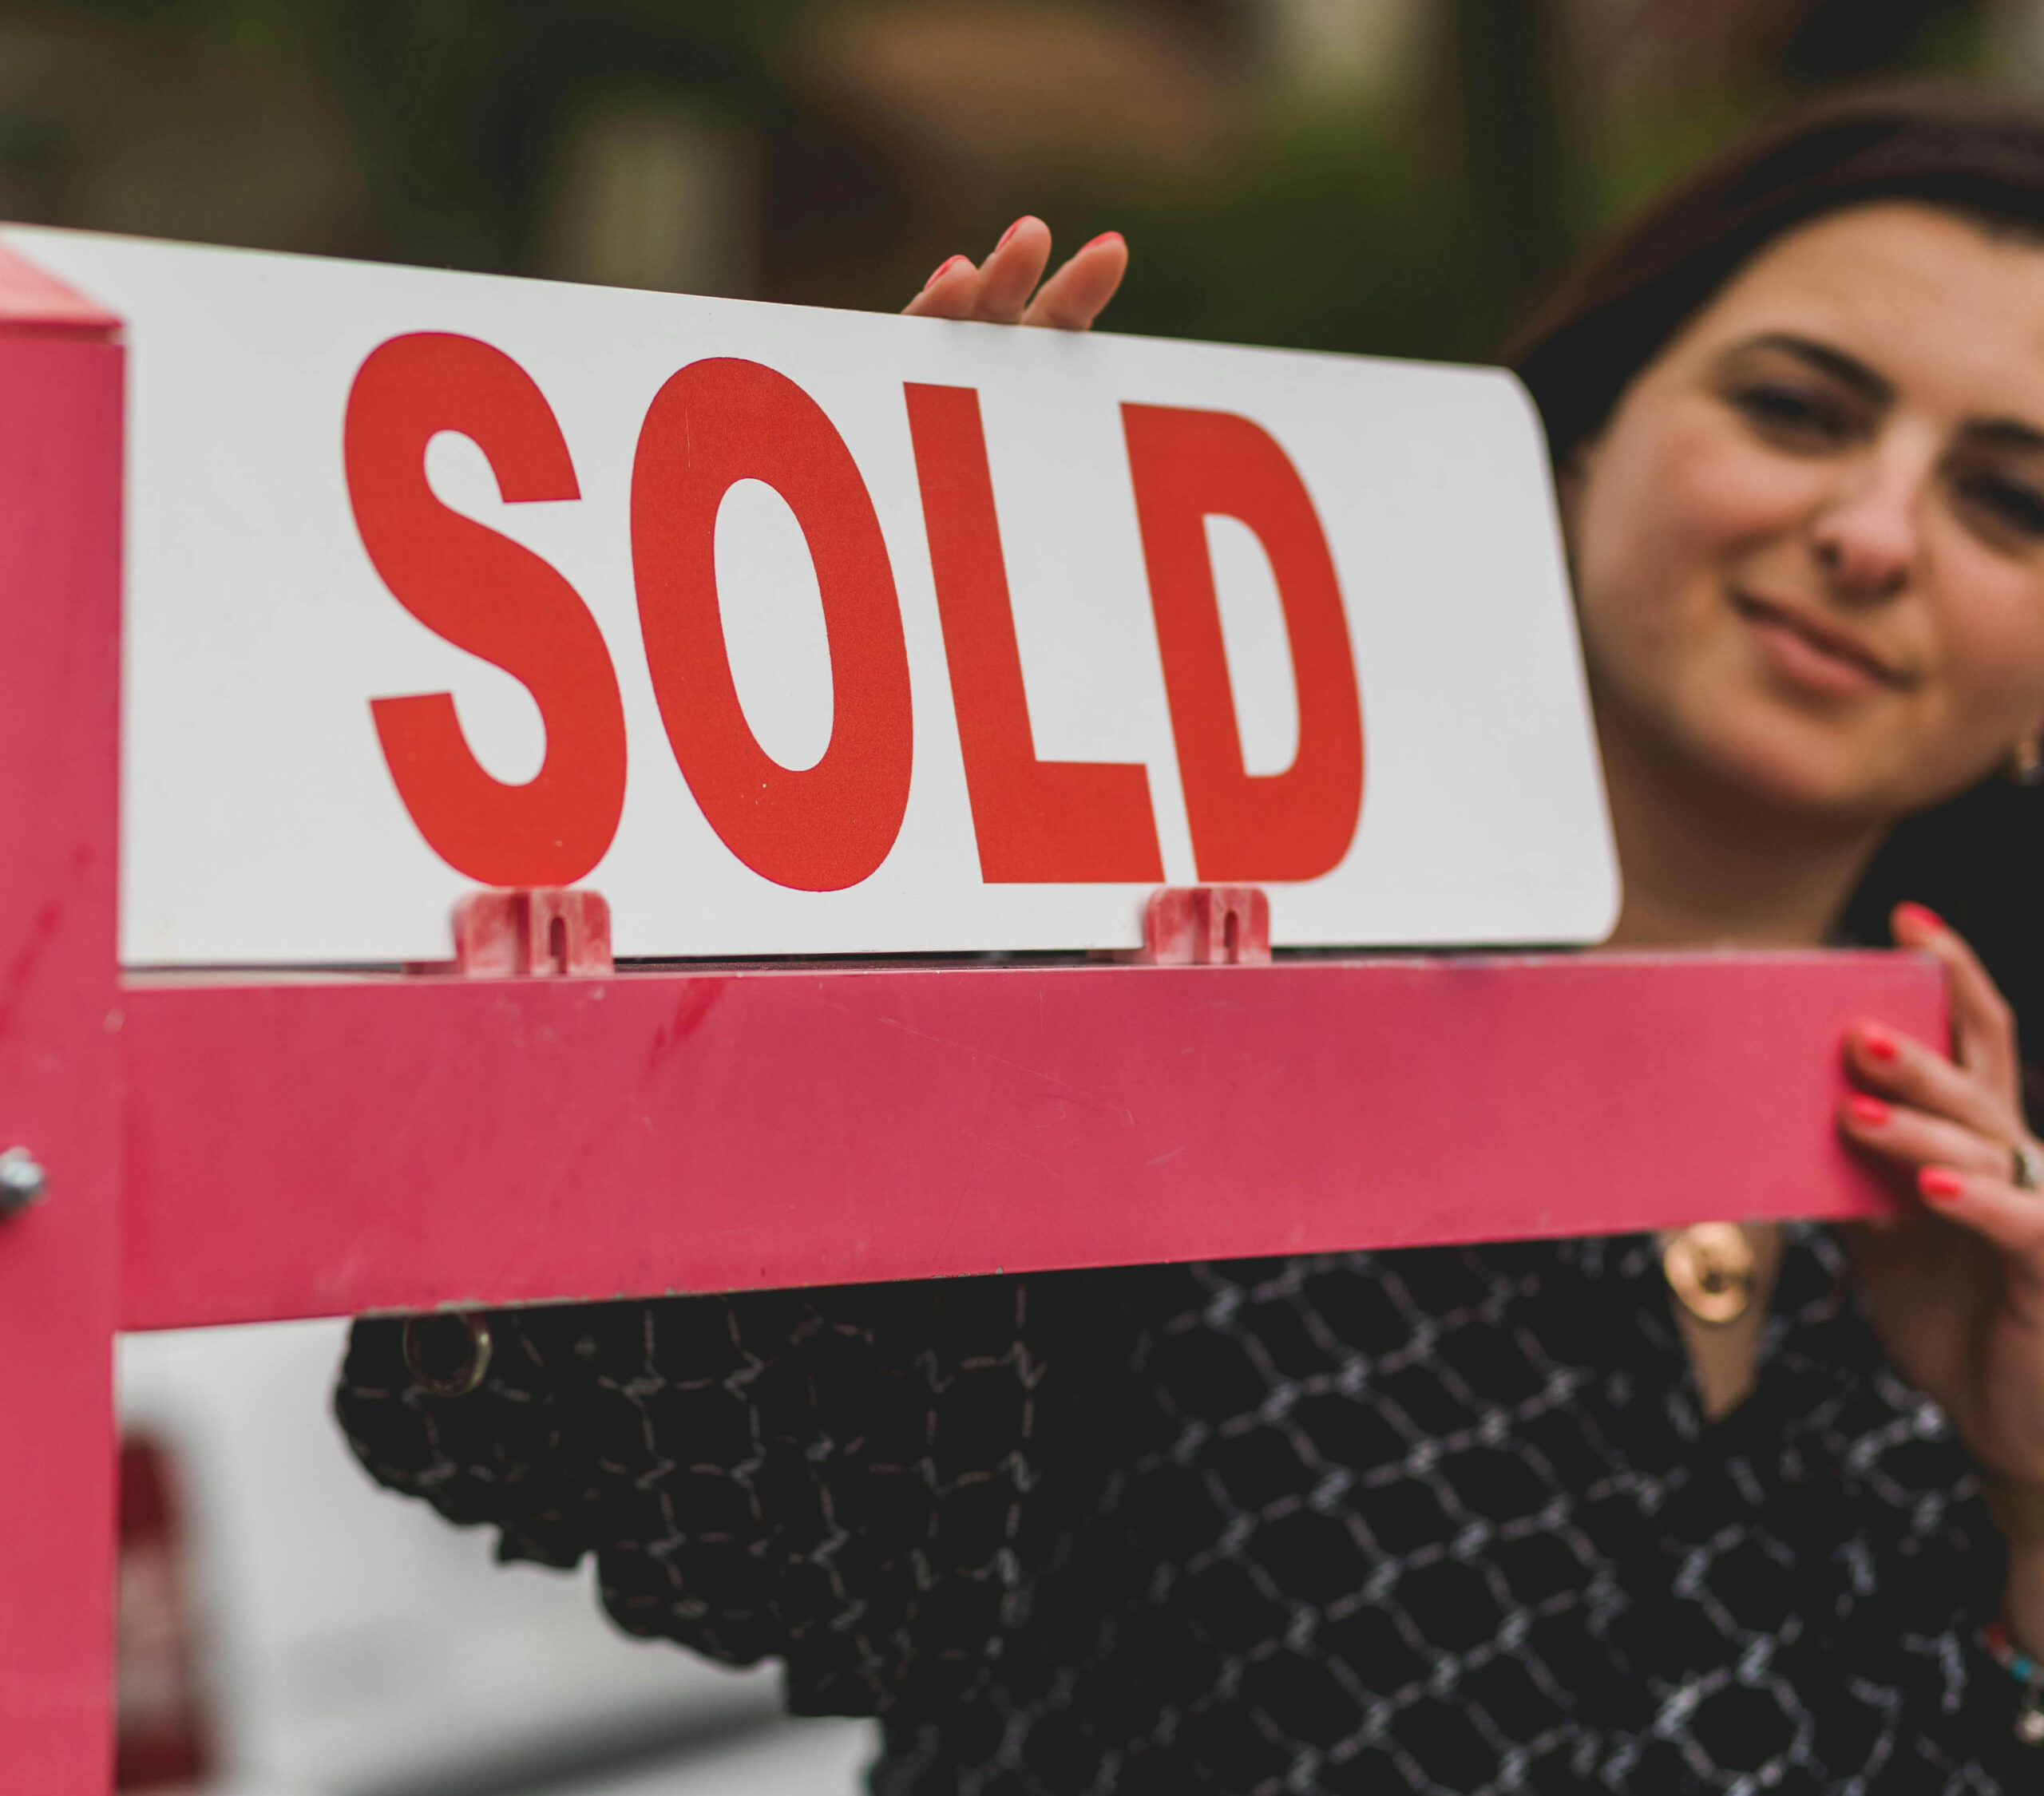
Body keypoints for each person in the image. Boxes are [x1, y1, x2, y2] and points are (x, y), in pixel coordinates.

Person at [339, 85, 2044, 1790]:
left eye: (2007, 501)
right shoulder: (1145, 992)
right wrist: (831, 801)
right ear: (1580, 432)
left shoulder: (1993, 1234)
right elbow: (691, 1527)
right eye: (1796, 410)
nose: (1869, 534)